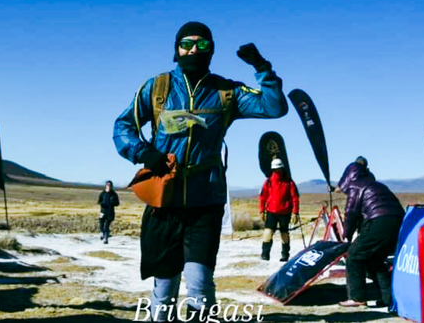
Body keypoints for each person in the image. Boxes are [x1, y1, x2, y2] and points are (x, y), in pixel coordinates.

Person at [113, 21, 288, 322]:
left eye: (202, 45)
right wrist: (144, 152)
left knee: (200, 286)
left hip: (205, 201)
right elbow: (123, 127)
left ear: (211, 50)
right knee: (164, 289)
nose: (194, 49)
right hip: (163, 203)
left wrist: (262, 68)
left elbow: (273, 108)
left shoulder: (226, 92)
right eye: (187, 44)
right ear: (176, 49)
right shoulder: (157, 88)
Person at [336, 156, 404, 308]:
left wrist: (346, 234)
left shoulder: (356, 186)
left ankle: (357, 296)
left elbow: (351, 212)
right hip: (397, 222)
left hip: (379, 222)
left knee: (354, 255)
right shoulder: (376, 185)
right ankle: (388, 298)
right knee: (374, 260)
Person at [259, 157, 299, 262]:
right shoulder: (268, 182)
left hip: (285, 212)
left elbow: (295, 197)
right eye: (275, 169)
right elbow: (263, 197)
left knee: (284, 233)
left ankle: (285, 254)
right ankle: (265, 254)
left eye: (279, 169)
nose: (277, 171)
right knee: (268, 232)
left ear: (282, 168)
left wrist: (295, 213)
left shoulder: (289, 182)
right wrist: (261, 210)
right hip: (271, 211)